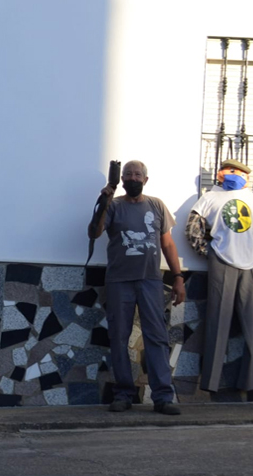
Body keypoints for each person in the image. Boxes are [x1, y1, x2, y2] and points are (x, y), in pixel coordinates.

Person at [89, 160, 185, 415]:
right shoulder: (114, 205)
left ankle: (163, 397)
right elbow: (95, 233)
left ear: (145, 179)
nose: (133, 178)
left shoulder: (156, 205)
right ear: (121, 179)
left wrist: (177, 277)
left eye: (137, 174)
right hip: (119, 281)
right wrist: (103, 203)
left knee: (157, 337)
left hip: (150, 281)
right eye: (128, 174)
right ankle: (123, 394)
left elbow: (168, 245)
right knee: (119, 338)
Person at [187, 159, 253, 393]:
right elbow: (192, 229)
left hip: (250, 262)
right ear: (220, 174)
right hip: (221, 260)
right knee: (217, 320)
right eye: (229, 170)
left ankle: (250, 382)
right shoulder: (210, 197)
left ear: (246, 177)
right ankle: (210, 381)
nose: (234, 174)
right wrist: (207, 252)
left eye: (239, 172)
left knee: (249, 322)